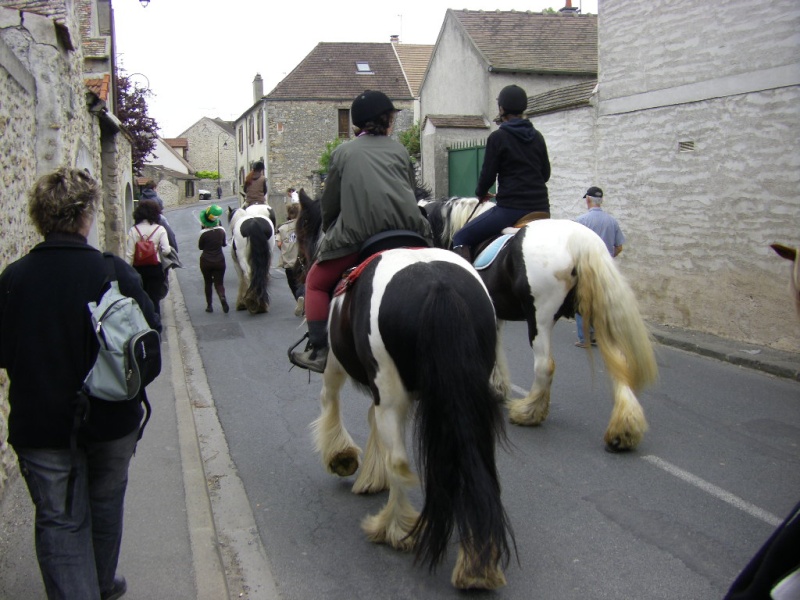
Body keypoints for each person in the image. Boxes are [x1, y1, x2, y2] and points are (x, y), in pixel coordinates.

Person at [0, 168, 160, 600]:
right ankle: (102, 583)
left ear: (39, 217)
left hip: (43, 424)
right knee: (105, 506)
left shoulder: (14, 280)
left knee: (59, 519)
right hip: (112, 421)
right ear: (86, 216)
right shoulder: (116, 274)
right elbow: (151, 345)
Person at [289, 90, 432, 373]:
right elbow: (410, 191)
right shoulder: (400, 150)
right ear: (386, 120)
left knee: (315, 282)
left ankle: (318, 350)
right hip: (409, 231)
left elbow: (330, 204)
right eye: (391, 117)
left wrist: (330, 228)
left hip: (359, 237)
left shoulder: (343, 152)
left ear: (359, 122)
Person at [451, 84, 551, 261]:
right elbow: (545, 175)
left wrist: (481, 193)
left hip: (510, 210)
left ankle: (469, 286)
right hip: (541, 209)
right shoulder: (537, 136)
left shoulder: (498, 137)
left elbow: (487, 176)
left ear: (502, 109)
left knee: (460, 238)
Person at [573, 186, 625, 348]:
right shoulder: (612, 221)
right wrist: (608, 257)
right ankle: (598, 334)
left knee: (582, 303)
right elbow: (619, 247)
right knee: (600, 302)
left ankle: (585, 338)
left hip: (586, 267)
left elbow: (573, 247)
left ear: (588, 200)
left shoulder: (581, 221)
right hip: (605, 268)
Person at [126, 199, 171, 315]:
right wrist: (155, 249)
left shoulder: (133, 230)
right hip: (155, 268)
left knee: (141, 299)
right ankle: (156, 326)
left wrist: (128, 271)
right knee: (155, 299)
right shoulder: (160, 229)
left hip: (139, 269)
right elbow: (166, 250)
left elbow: (129, 254)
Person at [198, 204, 229, 313]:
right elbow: (224, 244)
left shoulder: (203, 233)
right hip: (219, 260)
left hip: (206, 260)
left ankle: (209, 306)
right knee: (219, 283)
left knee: (207, 282)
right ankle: (222, 296)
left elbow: (200, 247)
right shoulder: (222, 231)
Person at [276, 203, 305, 317]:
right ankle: (302, 297)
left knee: (292, 283)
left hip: (289, 262)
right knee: (302, 282)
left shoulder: (282, 228)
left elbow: (279, 243)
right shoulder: (303, 226)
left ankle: (298, 298)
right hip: (302, 260)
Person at [140, 180, 178, 252]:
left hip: (142, 218)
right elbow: (161, 208)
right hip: (155, 217)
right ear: (154, 188)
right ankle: (174, 250)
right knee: (170, 234)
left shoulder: (141, 197)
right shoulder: (156, 197)